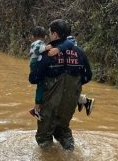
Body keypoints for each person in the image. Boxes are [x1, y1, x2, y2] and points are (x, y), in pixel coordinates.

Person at [28, 19, 94, 149]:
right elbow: (87, 76)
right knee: (64, 132)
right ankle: (69, 159)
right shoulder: (80, 53)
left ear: (55, 34)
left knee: (44, 137)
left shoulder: (48, 53)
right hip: (68, 106)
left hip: (49, 107)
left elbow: (34, 79)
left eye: (50, 33)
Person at [24, 26, 48, 119]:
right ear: (45, 36)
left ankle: (37, 108)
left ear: (33, 36)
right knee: (41, 85)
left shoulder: (35, 43)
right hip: (36, 65)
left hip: (34, 65)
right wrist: (47, 47)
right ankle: (37, 108)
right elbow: (38, 49)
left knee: (40, 86)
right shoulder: (38, 43)